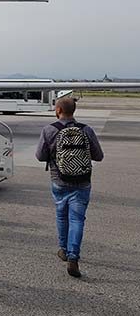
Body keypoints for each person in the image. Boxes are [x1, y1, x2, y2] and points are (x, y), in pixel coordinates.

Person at [36, 96, 103, 278]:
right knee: (77, 219)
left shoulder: (49, 130)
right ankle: (74, 257)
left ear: (58, 110)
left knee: (62, 215)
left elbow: (40, 156)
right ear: (74, 111)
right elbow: (99, 156)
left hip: (59, 181)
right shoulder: (86, 130)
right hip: (82, 182)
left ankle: (63, 250)